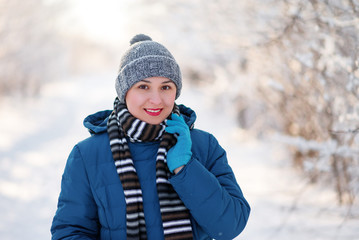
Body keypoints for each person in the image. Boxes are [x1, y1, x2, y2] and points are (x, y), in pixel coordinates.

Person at [51, 34, 250, 240]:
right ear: (124, 91)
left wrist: (186, 168)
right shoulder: (87, 155)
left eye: (165, 87)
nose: (156, 100)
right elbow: (70, 232)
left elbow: (230, 227)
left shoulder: (204, 145)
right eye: (143, 86)